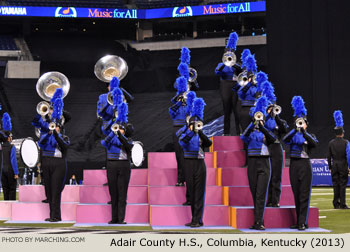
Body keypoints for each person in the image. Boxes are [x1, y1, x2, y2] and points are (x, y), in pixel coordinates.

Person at [240, 96, 277, 230]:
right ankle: (257, 221)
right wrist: (253, 124)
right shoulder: (250, 132)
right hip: (253, 162)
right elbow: (243, 137)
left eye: (261, 116)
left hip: (264, 162)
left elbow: (272, 139)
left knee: (261, 194)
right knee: (255, 192)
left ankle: (260, 222)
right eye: (257, 116)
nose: (259, 118)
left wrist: (262, 127)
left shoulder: (267, 129)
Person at [283, 96, 318, 230]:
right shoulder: (292, 136)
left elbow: (314, 144)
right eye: (299, 122)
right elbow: (285, 139)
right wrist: (295, 129)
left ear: (306, 124)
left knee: (304, 194)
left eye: (303, 122)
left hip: (305, 165)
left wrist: (303, 131)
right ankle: (300, 221)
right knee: (297, 194)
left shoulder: (311, 136)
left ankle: (302, 222)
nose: (301, 124)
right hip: (294, 165)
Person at [178, 97, 212, 228]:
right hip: (188, 163)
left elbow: (209, 143)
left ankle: (198, 219)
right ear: (190, 125)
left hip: (199, 164)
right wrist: (191, 132)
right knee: (192, 192)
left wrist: (200, 132)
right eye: (194, 124)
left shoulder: (200, 134)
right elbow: (182, 143)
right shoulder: (185, 133)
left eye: (198, 123)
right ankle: (194, 218)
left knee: (199, 192)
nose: (197, 125)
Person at [38, 94, 70, 222]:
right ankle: (53, 215)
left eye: (56, 127)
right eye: (53, 126)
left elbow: (64, 147)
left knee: (56, 190)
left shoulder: (64, 137)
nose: (54, 128)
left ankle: (56, 216)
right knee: (49, 190)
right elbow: (41, 143)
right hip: (47, 162)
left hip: (59, 164)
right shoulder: (45, 135)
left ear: (60, 128)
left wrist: (56, 135)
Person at [101, 101, 134, 224]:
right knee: (113, 193)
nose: (118, 130)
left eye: (121, 129)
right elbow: (104, 143)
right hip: (112, 165)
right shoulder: (110, 138)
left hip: (124, 165)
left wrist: (120, 135)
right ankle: (114, 218)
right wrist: (113, 132)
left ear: (124, 130)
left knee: (122, 193)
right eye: (117, 128)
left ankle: (121, 219)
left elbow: (129, 147)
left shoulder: (128, 139)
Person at [260, 81, 289, 207]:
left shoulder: (280, 121)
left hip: (276, 147)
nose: (273, 111)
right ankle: (268, 200)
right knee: (267, 175)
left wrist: (276, 116)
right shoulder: (263, 120)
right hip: (266, 147)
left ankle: (275, 200)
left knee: (277, 175)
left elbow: (284, 130)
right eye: (271, 109)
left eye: (274, 108)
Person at [215, 32, 242, 136]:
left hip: (235, 86)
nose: (229, 56)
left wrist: (234, 64)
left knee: (236, 110)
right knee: (227, 110)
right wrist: (224, 63)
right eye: (227, 54)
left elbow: (241, 72)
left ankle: (238, 133)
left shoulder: (237, 64)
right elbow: (217, 72)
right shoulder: (220, 64)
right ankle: (226, 133)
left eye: (231, 54)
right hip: (225, 86)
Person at [327, 110, 350, 209]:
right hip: (343, 165)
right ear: (342, 133)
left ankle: (336, 203)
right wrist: (349, 166)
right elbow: (348, 155)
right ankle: (343, 204)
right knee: (343, 185)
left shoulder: (331, 143)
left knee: (335, 184)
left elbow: (328, 156)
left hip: (334, 165)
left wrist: (330, 167)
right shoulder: (346, 142)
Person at [0, 113, 19, 200]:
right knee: (12, 189)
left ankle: (6, 208)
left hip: (2, 170)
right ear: (8, 138)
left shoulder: (0, 146)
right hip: (10, 170)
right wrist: (16, 173)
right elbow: (13, 161)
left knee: (5, 189)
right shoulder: (12, 147)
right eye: (11, 137)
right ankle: (12, 207)